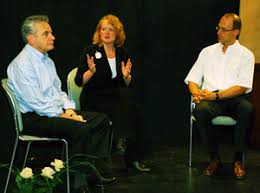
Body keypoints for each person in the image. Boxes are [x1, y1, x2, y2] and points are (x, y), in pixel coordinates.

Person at [7, 15, 116, 191]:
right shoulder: (22, 64)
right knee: (81, 128)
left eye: (51, 33)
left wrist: (70, 110)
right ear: (31, 38)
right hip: (34, 117)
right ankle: (76, 183)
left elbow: (59, 93)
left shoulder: (47, 60)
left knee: (100, 120)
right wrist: (63, 115)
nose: (53, 37)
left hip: (52, 112)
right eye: (46, 33)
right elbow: (37, 103)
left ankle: (93, 169)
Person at [74, 14, 150, 172]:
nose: (107, 33)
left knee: (134, 108)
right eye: (103, 29)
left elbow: (127, 84)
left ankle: (131, 156)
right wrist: (90, 72)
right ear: (99, 32)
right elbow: (79, 81)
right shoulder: (90, 51)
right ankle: (122, 142)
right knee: (128, 103)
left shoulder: (122, 53)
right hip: (94, 98)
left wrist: (127, 77)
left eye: (111, 29)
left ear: (117, 33)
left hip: (116, 99)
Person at [185, 13, 255, 179]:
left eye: (224, 29)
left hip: (234, 99)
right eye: (219, 28)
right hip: (210, 99)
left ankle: (238, 159)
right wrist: (196, 93)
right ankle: (214, 158)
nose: (219, 32)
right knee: (200, 111)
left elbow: (242, 87)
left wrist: (215, 96)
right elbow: (192, 79)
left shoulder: (246, 55)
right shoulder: (207, 52)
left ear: (236, 32)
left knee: (247, 109)